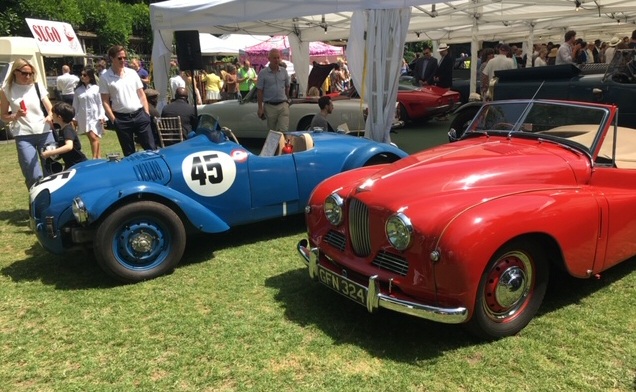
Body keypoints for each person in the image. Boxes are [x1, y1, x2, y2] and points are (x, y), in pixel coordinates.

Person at [0, 58, 56, 189]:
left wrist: (50, 116)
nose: (28, 76)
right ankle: (36, 202)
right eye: (24, 73)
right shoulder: (6, 90)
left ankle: (53, 204)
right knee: (33, 175)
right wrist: (15, 115)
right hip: (23, 135)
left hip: (45, 132)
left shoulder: (37, 86)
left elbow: (50, 109)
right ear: (15, 72)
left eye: (30, 73)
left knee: (52, 171)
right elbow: (3, 116)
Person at [99, 45, 156, 156]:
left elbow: (141, 94)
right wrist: (114, 120)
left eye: (125, 58)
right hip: (121, 118)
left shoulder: (132, 73)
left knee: (151, 148)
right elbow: (105, 101)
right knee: (129, 153)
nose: (123, 60)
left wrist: (146, 113)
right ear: (111, 58)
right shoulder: (105, 77)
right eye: (120, 58)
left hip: (139, 114)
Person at [41, 102, 87, 171]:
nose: (51, 116)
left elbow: (69, 146)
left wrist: (50, 153)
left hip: (78, 164)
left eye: (53, 114)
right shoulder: (62, 129)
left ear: (59, 117)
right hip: (70, 164)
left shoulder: (67, 130)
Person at [73, 67, 106, 159]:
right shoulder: (78, 90)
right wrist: (74, 118)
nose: (82, 77)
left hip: (95, 116)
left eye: (85, 75)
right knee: (92, 138)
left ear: (90, 76)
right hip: (83, 117)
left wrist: (101, 115)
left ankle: (94, 158)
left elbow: (100, 103)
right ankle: (98, 157)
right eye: (81, 75)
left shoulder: (96, 89)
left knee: (94, 137)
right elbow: (75, 105)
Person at [257, 48, 291, 132]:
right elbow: (260, 91)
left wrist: (287, 100)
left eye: (278, 58)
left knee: (283, 130)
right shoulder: (263, 73)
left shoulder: (284, 71)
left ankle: (282, 145)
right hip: (270, 106)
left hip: (283, 104)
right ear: (269, 59)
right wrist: (260, 108)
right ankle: (275, 145)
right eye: (274, 58)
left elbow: (287, 86)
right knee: (272, 132)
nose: (276, 60)